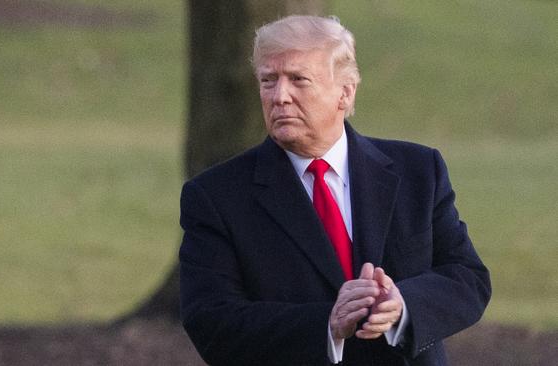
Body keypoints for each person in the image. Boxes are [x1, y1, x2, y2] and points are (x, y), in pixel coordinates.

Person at [179, 15, 491, 366]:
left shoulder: (418, 171)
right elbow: (211, 321)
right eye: (269, 81)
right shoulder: (216, 195)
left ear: (345, 91)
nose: (280, 96)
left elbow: (467, 278)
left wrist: (403, 305)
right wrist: (327, 323)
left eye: (299, 80)